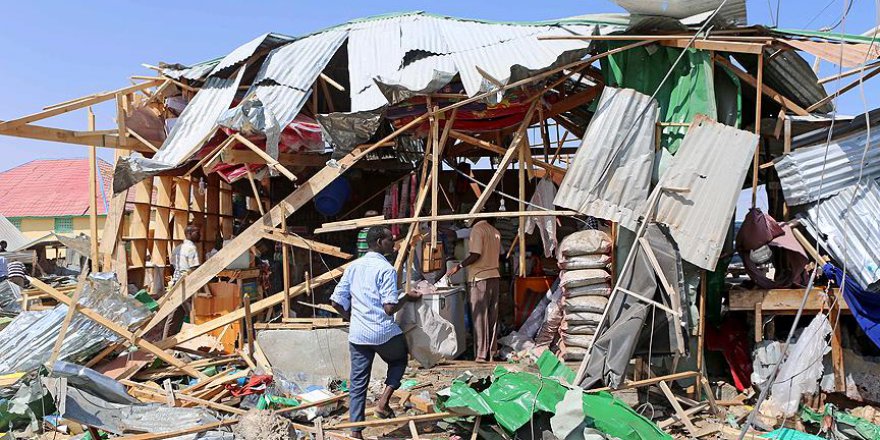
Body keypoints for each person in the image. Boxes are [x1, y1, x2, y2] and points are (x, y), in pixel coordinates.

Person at [331, 226, 421, 439]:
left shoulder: (353, 267)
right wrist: (407, 297)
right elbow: (389, 307)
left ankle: (355, 432)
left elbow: (335, 301)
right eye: (390, 240)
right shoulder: (386, 269)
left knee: (358, 382)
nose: (393, 243)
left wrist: (351, 317)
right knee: (399, 360)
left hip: (358, 334)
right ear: (380, 242)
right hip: (382, 332)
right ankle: (383, 402)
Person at [446, 216, 501, 362]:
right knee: (492, 317)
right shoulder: (495, 231)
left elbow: (476, 254)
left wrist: (458, 267)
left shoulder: (477, 229)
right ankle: (492, 352)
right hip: (494, 276)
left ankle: (481, 355)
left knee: (479, 318)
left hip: (479, 277)